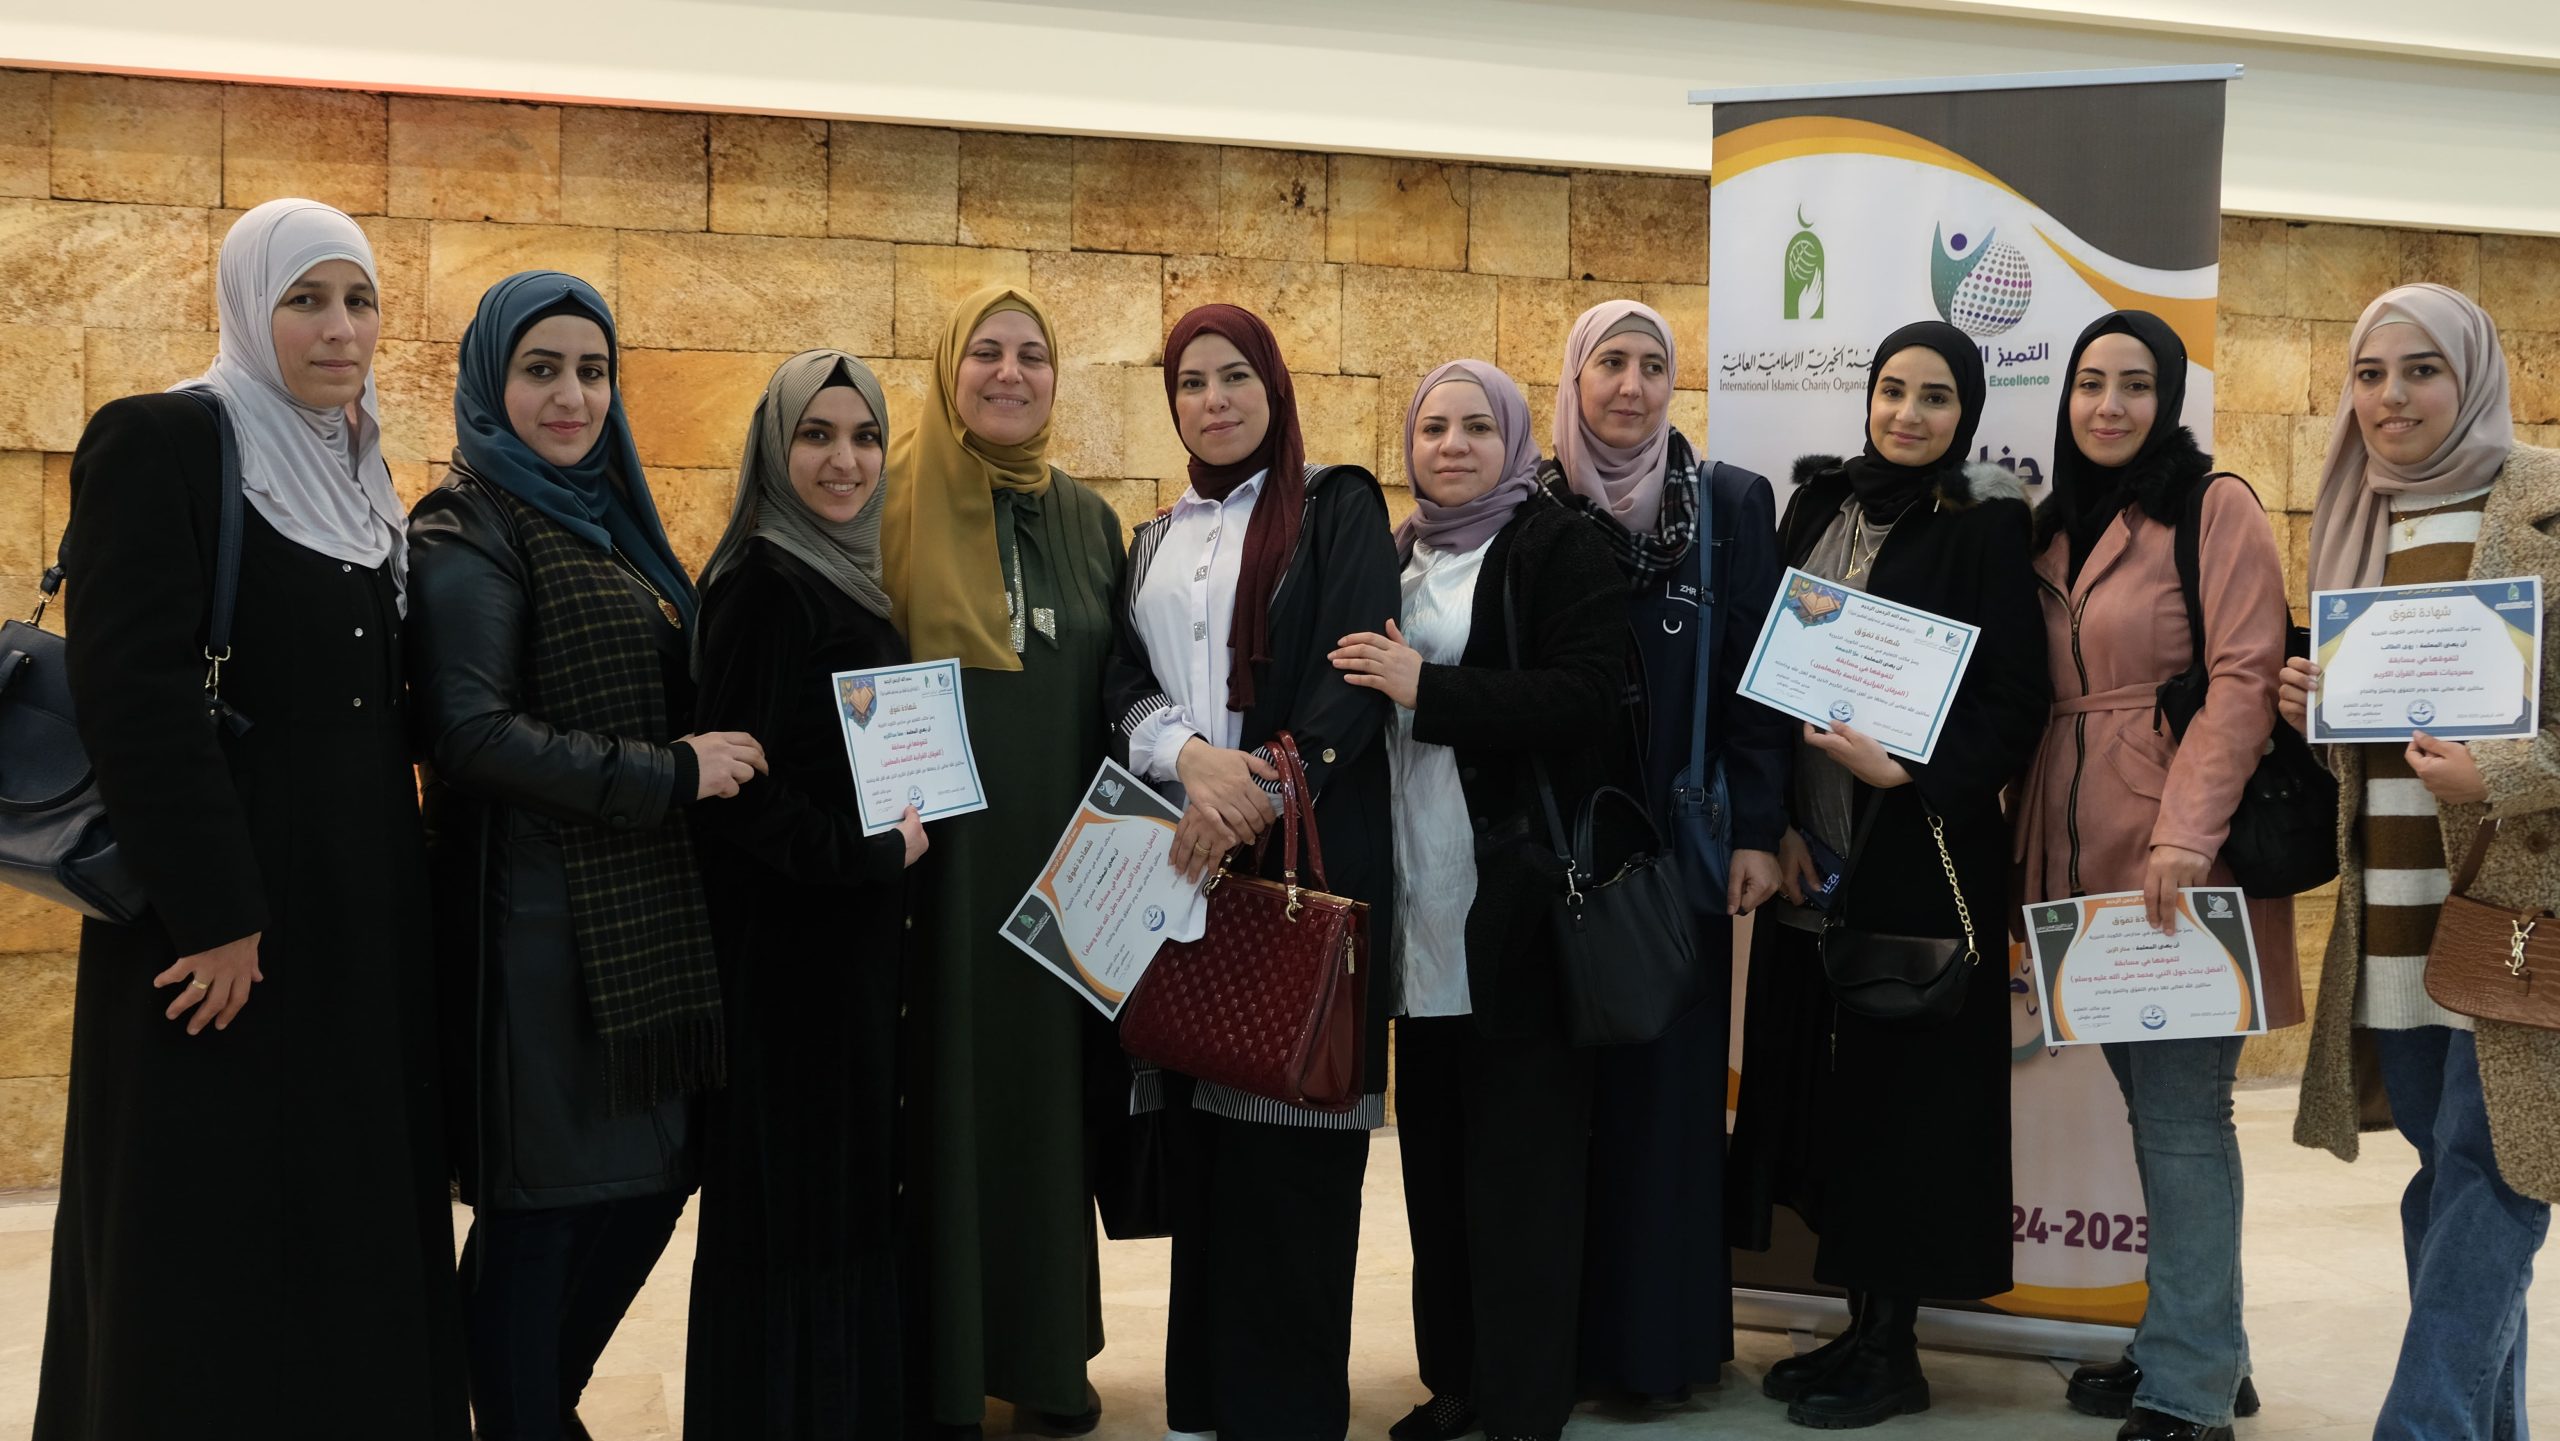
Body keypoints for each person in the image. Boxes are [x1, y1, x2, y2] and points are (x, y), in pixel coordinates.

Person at [35, 197, 470, 1440]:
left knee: (339, 1213)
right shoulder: (165, 439)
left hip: (352, 917)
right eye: (306, 301)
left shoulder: (355, 468)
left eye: (360, 301)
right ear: (244, 306)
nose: (341, 331)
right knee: (209, 1228)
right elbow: (133, 697)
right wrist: (218, 917)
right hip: (218, 931)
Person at [409, 271, 759, 1441]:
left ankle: (533, 1415)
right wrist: (669, 772)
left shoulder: (605, 524)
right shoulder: (467, 525)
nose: (571, 397)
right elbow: (469, 734)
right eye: (541, 369)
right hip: (532, 944)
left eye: (593, 371)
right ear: (489, 381)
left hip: (635, 937)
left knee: (646, 1189)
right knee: (545, 1214)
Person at [1729, 320, 2049, 1430]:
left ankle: (1893, 1351)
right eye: (1893, 391)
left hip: (1916, 852)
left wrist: (1911, 769)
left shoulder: (1983, 523)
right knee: (1831, 1109)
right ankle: (1856, 1327)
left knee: (1906, 1111)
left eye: (1936, 397)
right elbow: (1762, 672)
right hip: (1808, 859)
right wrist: (1772, 822)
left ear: (1967, 414)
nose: (1909, 414)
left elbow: (2017, 698)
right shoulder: (1817, 504)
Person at [1107, 303, 1399, 1441]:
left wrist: (1259, 793)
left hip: (1297, 872)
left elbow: (1351, 677)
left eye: (1235, 376)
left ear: (1274, 389)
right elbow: (1120, 678)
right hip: (1183, 870)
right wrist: (1188, 760)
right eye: (1191, 381)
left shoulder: (1337, 504)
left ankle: (1284, 1417)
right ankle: (1203, 1408)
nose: (1214, 399)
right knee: (1207, 1165)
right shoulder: (1153, 536)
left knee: (1293, 1167)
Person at [2282, 283, 2560, 1441]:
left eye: (2420, 369)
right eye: (2369, 374)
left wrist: (2500, 770)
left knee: (2494, 1175)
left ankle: (2421, 1426)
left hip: (2516, 913)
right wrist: (2315, 704)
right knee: (2444, 1178)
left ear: (2472, 374)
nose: (2390, 397)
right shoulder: (2358, 517)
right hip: (2392, 913)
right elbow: (2380, 737)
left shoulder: (2544, 501)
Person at [2015, 311, 2299, 1441]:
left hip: (2181, 865)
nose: (2109, 405)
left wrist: (2184, 833)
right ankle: (2202, 1346)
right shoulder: (2052, 530)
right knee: (2155, 1116)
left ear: (2168, 397)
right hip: (2079, 864)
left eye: (2135, 384)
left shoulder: (2213, 506)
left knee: (2183, 1119)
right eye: (2090, 383)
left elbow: (2245, 676)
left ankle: (2188, 1390)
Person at [1354, 360, 1625, 1441]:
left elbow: (1588, 697)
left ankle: (1522, 1402)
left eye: (1476, 426)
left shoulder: (1558, 545)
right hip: (1416, 904)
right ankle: (1455, 1379)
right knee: (1436, 1167)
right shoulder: (1393, 554)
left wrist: (1432, 690)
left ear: (1512, 440)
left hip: (1517, 908)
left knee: (1523, 1174)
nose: (1453, 446)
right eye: (1433, 428)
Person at [880, 286, 1124, 1439]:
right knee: (938, 1105)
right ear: (949, 367)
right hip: (935, 876)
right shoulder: (890, 499)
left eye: (1033, 353)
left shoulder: (1089, 521)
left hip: (1058, 884)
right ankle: (936, 1370)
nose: (1010, 372)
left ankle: (1038, 1357)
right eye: (985, 350)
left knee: (1044, 1110)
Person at [1538, 299, 1790, 1406]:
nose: (1631, 386)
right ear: (1573, 378)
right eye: (1610, 363)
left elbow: (1759, 683)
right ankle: (1560, 1350)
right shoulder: (1529, 502)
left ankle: (1657, 1357)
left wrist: (1758, 829)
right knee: (1566, 1109)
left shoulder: (1727, 505)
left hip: (1680, 854)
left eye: (1651, 365)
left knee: (1667, 1108)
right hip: (1559, 854)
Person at [684, 351, 933, 1437]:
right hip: (790, 963)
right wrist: (867, 854)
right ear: (772, 449)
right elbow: (735, 792)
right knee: (793, 1211)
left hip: (846, 952)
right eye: (816, 435)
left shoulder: (842, 575)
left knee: (838, 1205)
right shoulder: (763, 584)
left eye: (865, 436)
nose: (846, 460)